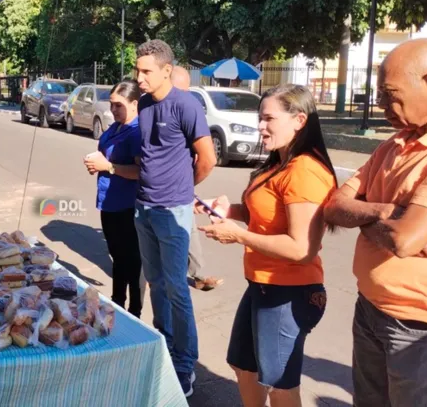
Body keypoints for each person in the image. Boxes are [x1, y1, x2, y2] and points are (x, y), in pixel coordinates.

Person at [197, 84, 336, 407]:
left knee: (280, 385)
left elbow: (302, 248)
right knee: (243, 365)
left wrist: (239, 235)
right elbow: (263, 213)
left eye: (268, 119)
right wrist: (226, 210)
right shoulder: (279, 162)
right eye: (259, 118)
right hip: (261, 285)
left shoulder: (305, 171)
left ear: (299, 120)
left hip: (289, 292)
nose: (260, 126)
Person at [324, 39, 427, 406]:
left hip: (418, 327)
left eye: (391, 95)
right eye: (379, 95)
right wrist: (386, 211)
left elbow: (404, 241)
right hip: (370, 309)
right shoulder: (391, 146)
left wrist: (367, 215)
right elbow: (333, 206)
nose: (380, 106)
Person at [133, 39, 217, 396]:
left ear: (166, 70)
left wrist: (184, 191)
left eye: (146, 71)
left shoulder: (186, 105)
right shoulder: (143, 103)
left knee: (177, 288)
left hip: (172, 210)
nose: (139, 77)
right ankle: (164, 347)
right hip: (144, 208)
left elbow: (206, 158)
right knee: (156, 283)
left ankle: (185, 364)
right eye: (137, 70)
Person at [83, 79, 144, 317]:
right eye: (111, 104)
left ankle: (135, 311)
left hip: (127, 205)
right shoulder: (116, 127)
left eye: (118, 105)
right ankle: (118, 304)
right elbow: (105, 156)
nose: (113, 110)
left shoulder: (137, 131)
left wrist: (108, 166)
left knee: (133, 263)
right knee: (117, 258)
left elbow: (140, 172)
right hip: (108, 202)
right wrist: (95, 163)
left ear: (134, 104)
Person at [171, 65, 225, 292]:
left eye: (186, 92)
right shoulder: (152, 109)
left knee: (189, 230)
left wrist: (188, 185)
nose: (183, 98)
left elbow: (207, 158)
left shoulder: (187, 111)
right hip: (159, 193)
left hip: (180, 187)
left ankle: (198, 274)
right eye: (179, 92)